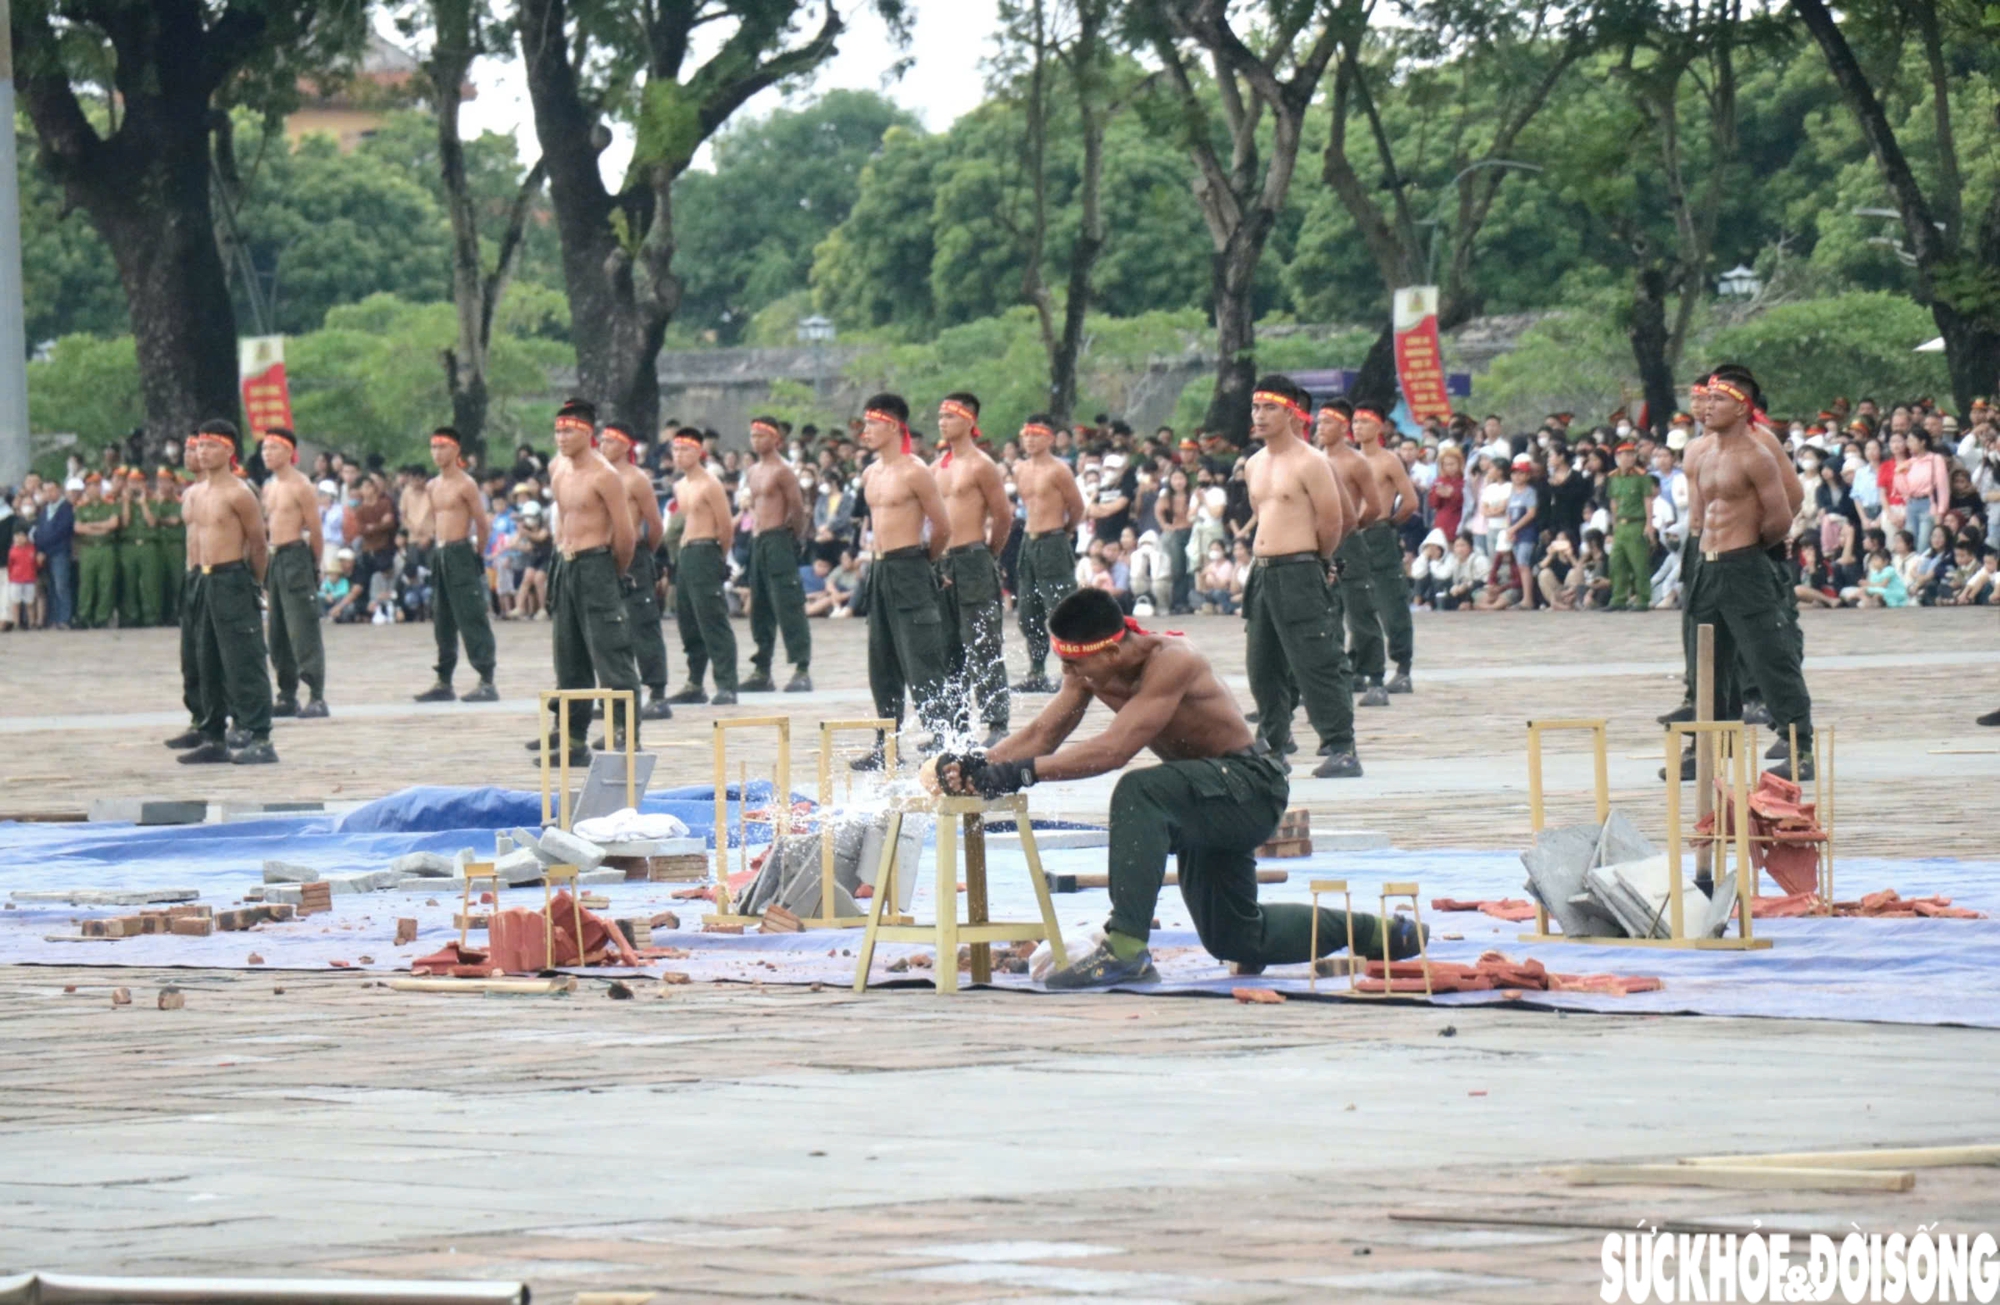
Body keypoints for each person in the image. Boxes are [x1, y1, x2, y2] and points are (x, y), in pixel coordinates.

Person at [935, 588, 1422, 988]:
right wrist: (979, 763)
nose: (1069, 677)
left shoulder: (1173, 660)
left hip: (1249, 788)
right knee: (1236, 939)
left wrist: (1022, 773)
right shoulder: (1090, 670)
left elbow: (1115, 749)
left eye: (1075, 666)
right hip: (1203, 796)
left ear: (1111, 650)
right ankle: (1385, 933)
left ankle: (1126, 947)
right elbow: (1043, 734)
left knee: (1138, 791)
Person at [1681, 369, 1815, 781]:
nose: (1707, 407)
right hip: (1708, 564)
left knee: (1769, 655)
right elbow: (1699, 514)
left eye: (1718, 401)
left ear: (1741, 407)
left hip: (1746, 562)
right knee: (1706, 660)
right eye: (1705, 400)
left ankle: (1798, 745)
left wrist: (1754, 548)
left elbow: (1781, 512)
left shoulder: (1758, 452)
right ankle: (1707, 745)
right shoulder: (1698, 452)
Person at [1241, 376, 1362, 779]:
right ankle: (1273, 743)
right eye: (1256, 408)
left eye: (1269, 408)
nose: (1260, 416)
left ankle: (1340, 745)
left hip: (1299, 569)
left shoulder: (1311, 461)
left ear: (1292, 413)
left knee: (1316, 662)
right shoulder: (1255, 464)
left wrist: (1319, 559)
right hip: (1262, 573)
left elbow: (1338, 519)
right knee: (1263, 664)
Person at [535, 399, 643, 763]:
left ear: (587, 433)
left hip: (597, 561)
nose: (561, 437)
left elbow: (625, 535)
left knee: (611, 654)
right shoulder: (559, 471)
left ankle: (624, 735)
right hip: (565, 564)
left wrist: (612, 571)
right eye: (558, 430)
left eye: (568, 430)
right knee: (568, 656)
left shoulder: (605, 475)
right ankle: (573, 739)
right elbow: (563, 520)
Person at [852, 393, 953, 767]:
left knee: (921, 660)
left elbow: (942, 527)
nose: (865, 432)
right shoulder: (870, 473)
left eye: (872, 424)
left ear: (893, 426)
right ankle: (886, 746)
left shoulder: (915, 471)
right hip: (878, 570)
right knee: (881, 661)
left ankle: (945, 740)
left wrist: (922, 562)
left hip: (909, 563)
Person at [178, 422, 277, 765]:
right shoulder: (193, 493)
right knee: (206, 659)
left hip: (230, 577)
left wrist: (256, 584)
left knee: (243, 659)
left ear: (229, 450)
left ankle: (260, 736)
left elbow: (258, 544)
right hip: (201, 581)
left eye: (211, 445)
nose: (202, 451)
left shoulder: (239, 493)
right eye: (200, 445)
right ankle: (213, 734)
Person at [933, 393, 1012, 748]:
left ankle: (997, 721)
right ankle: (955, 725)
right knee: (948, 648)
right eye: (940, 417)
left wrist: (988, 554)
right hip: (944, 561)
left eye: (949, 416)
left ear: (969, 421)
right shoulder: (935, 467)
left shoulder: (982, 465)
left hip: (974, 556)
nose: (942, 423)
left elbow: (1003, 516)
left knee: (982, 641)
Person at [414, 429, 500, 703]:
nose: (437, 453)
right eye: (433, 447)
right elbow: (431, 519)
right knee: (442, 618)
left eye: (442, 447)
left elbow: (482, 522)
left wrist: (478, 552)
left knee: (471, 615)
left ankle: (486, 678)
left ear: (455, 450)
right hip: (440, 555)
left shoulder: (466, 484)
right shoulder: (432, 485)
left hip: (461, 550)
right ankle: (444, 679)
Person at [597, 422, 674, 720]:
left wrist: (643, 554)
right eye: (602, 441)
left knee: (643, 624)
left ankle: (656, 691)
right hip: (604, 556)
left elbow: (655, 525)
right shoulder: (599, 477)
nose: (604, 446)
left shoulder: (636, 479)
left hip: (636, 556)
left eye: (611, 441)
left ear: (626, 446)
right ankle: (613, 695)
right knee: (607, 628)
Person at [1346, 402, 1420, 698]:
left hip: (1379, 534)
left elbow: (1411, 501)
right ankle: (1358, 667)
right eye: (1355, 423)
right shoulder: (1349, 459)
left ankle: (1402, 667)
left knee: (1391, 602)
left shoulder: (1388, 460)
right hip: (1354, 535)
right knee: (1355, 604)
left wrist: (1390, 523)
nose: (1357, 428)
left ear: (1378, 428)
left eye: (1364, 423)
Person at [1010, 413, 1087, 694]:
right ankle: (1037, 671)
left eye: (1036, 435)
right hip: (1028, 543)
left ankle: (1076, 669)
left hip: (1053, 540)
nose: (1029, 440)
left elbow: (1077, 507)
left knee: (1061, 608)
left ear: (1050, 439)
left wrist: (1063, 531)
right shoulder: (1019, 469)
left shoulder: (1059, 470)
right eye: (1026, 435)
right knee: (1028, 611)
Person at [738, 416, 814, 695]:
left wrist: (793, 537)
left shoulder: (783, 470)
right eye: (753, 435)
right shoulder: (753, 470)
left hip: (778, 537)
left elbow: (797, 507)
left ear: (775, 439)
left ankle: (801, 667)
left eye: (761, 435)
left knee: (788, 602)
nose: (756, 440)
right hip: (758, 540)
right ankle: (762, 668)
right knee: (759, 605)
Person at [258, 428, 329, 718]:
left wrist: (314, 566)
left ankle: (316, 694)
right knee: (277, 632)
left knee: (303, 629)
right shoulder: (268, 486)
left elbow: (315, 530)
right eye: (264, 448)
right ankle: (286, 693)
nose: (267, 454)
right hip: (273, 558)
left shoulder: (301, 486)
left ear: (289, 452)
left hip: (295, 554)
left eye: (273, 448)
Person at [668, 428, 740, 706]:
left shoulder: (710, 484)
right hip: (686, 552)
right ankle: (694, 682)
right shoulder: (680, 485)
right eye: (675, 449)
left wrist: (719, 558)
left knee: (713, 619)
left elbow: (726, 526)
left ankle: (726, 684)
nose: (679, 455)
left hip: (705, 548)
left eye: (685, 449)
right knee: (688, 619)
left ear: (699, 452)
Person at [1604, 441, 1657, 610]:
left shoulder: (1642, 477)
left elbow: (1648, 501)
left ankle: (1642, 599)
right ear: (1617, 458)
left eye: (1631, 455)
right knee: (1616, 563)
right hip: (1621, 524)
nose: (1628, 458)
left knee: (1639, 564)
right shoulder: (1613, 477)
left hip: (1636, 522)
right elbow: (1614, 503)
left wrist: (1649, 525)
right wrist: (1613, 528)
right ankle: (1618, 598)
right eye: (1624, 455)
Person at [72, 473, 121, 628]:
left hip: (106, 548)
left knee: (105, 583)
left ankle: (102, 617)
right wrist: (101, 527)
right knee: (86, 584)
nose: (94, 488)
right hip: (88, 549)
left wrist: (91, 527)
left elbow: (113, 524)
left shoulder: (109, 505)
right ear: (86, 488)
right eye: (90, 485)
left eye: (97, 485)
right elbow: (78, 528)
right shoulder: (81, 507)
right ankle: (84, 616)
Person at [115, 470, 154, 626]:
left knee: (149, 583)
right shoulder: (120, 501)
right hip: (128, 545)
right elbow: (124, 522)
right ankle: (131, 617)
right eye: (132, 482)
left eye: (138, 482)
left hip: (147, 545)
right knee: (129, 582)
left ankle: (150, 617)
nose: (135, 485)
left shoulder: (152, 500)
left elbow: (151, 523)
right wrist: (126, 502)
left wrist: (144, 503)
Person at [151, 467, 185, 626]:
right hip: (158, 546)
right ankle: (161, 615)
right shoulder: (154, 502)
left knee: (177, 580)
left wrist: (159, 520)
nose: (163, 485)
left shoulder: (180, 502)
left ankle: (177, 614)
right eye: (160, 481)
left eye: (166, 481)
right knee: (159, 580)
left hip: (175, 546)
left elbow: (175, 521)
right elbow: (152, 521)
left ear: (173, 483)